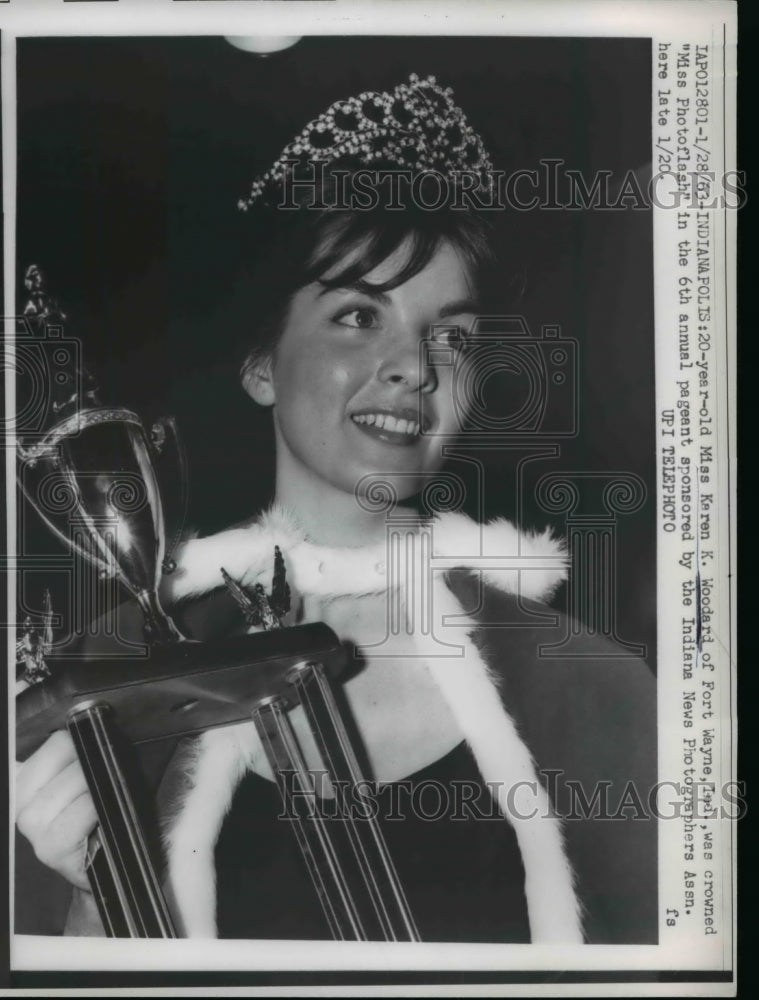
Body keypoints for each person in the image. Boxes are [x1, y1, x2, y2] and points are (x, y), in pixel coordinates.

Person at [15, 74, 656, 944]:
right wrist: (91, 893)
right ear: (260, 364)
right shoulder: (113, 672)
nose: (415, 367)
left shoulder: (592, 691)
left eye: (453, 337)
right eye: (358, 314)